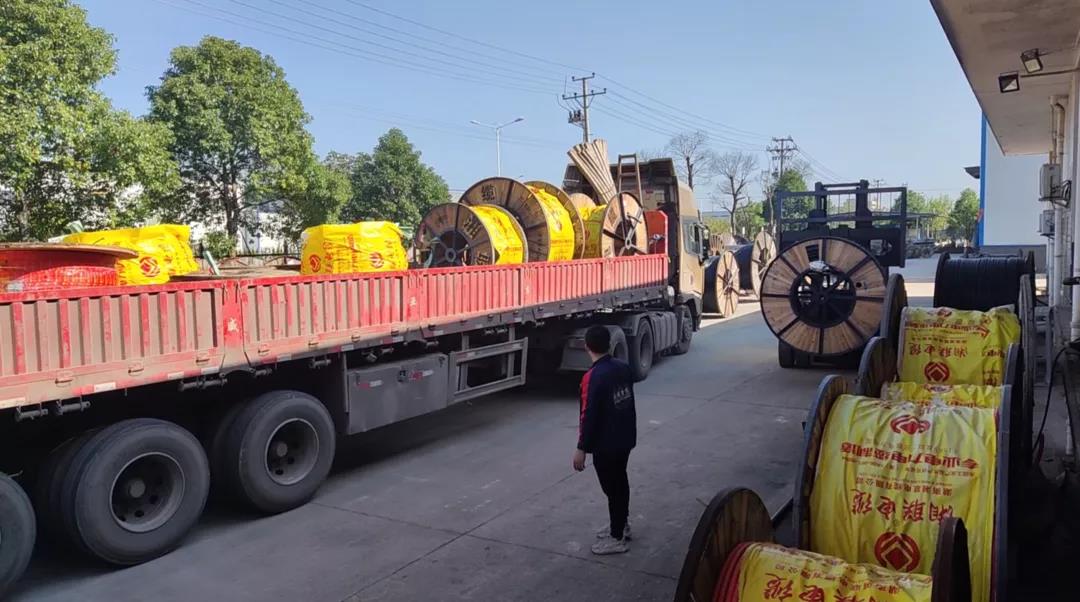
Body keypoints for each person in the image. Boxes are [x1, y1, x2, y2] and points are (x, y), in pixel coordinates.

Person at [572, 325, 637, 555]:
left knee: (612, 488)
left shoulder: (593, 377)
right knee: (620, 482)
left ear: (586, 346)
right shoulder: (623, 367)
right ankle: (621, 524)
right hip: (625, 438)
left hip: (606, 444)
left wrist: (581, 448)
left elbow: (588, 415)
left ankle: (616, 536)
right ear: (609, 344)